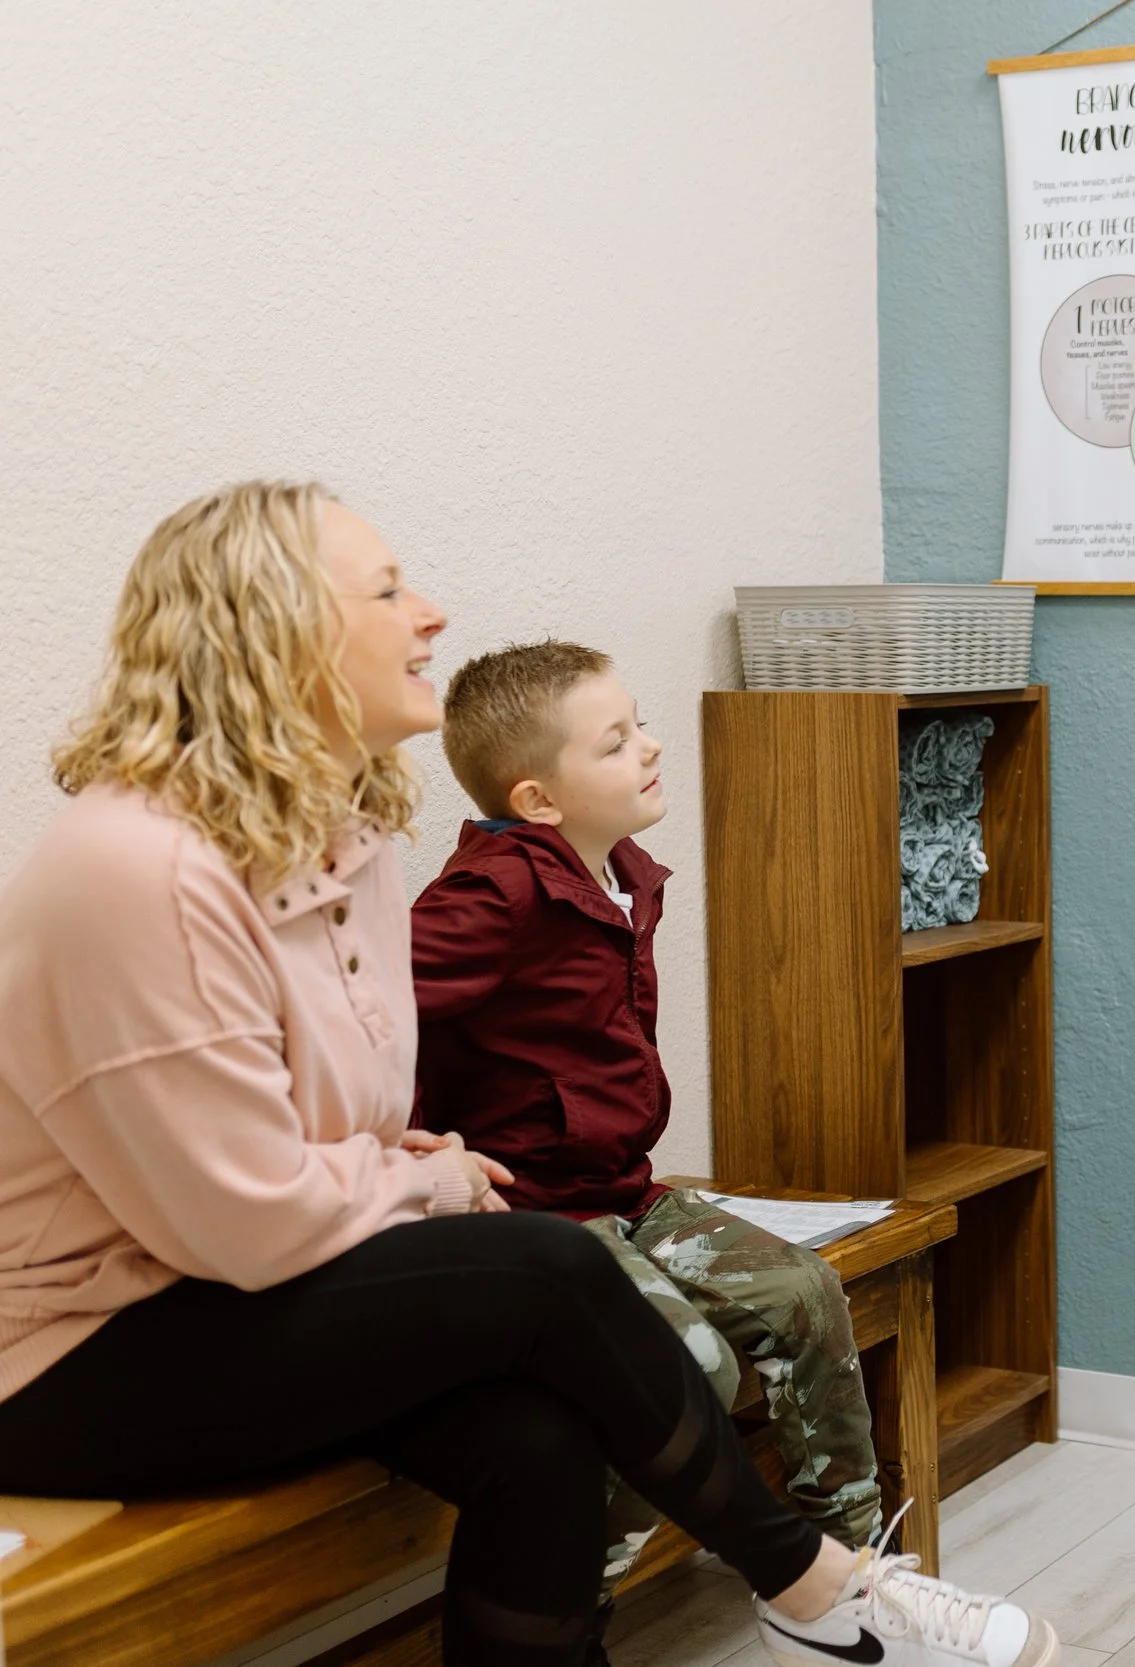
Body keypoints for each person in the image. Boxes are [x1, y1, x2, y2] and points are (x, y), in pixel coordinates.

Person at [0, 482, 1057, 1667]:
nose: (431, 614)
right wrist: (428, 1182)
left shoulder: (334, 843)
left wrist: (391, 1157)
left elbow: (305, 1125)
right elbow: (245, 1221)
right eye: (390, 590)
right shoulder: (134, 868)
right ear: (276, 629)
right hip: (71, 1350)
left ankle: (811, 1598)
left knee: (540, 1433)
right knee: (547, 1263)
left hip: (221, 1289)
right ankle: (817, 1589)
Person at [407, 639, 1044, 1665]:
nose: (650, 745)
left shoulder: (616, 870)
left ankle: (839, 1585)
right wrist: (430, 1155)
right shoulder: (492, 893)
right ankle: (566, 1615)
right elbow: (376, 1015)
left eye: (638, 721)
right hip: (540, 1216)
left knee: (803, 1290)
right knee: (676, 1363)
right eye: (616, 741)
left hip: (624, 1186)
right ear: (537, 797)